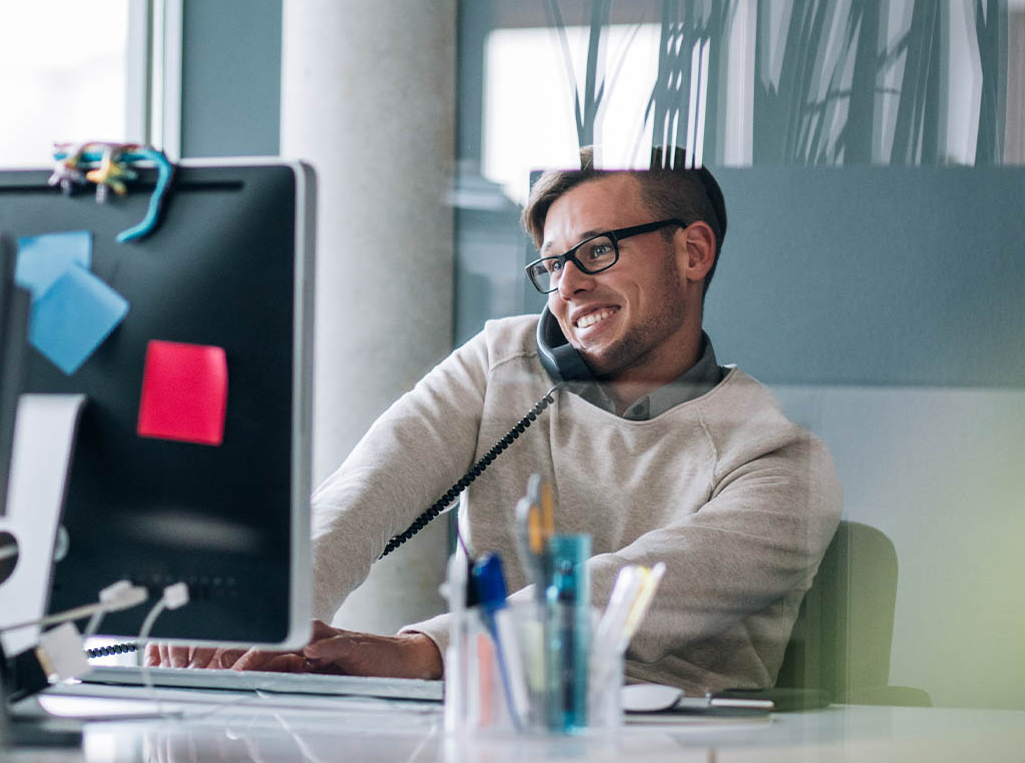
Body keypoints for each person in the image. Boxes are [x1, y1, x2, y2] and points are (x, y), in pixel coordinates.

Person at [150, 154, 842, 693]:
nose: (567, 288)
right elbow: (362, 493)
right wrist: (258, 609)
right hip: (483, 751)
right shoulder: (501, 364)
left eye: (597, 251)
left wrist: (426, 653)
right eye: (553, 265)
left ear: (693, 252)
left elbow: (624, 593)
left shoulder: (781, 464)